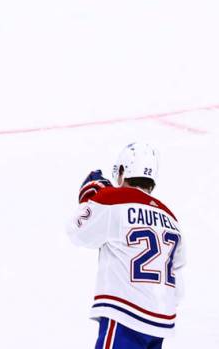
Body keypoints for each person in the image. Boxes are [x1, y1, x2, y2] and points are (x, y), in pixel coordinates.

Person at [68, 143, 185, 348]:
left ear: (123, 171)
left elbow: (77, 233)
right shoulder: (171, 217)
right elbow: (178, 274)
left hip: (126, 315)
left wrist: (89, 198)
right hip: (160, 320)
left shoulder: (112, 199)